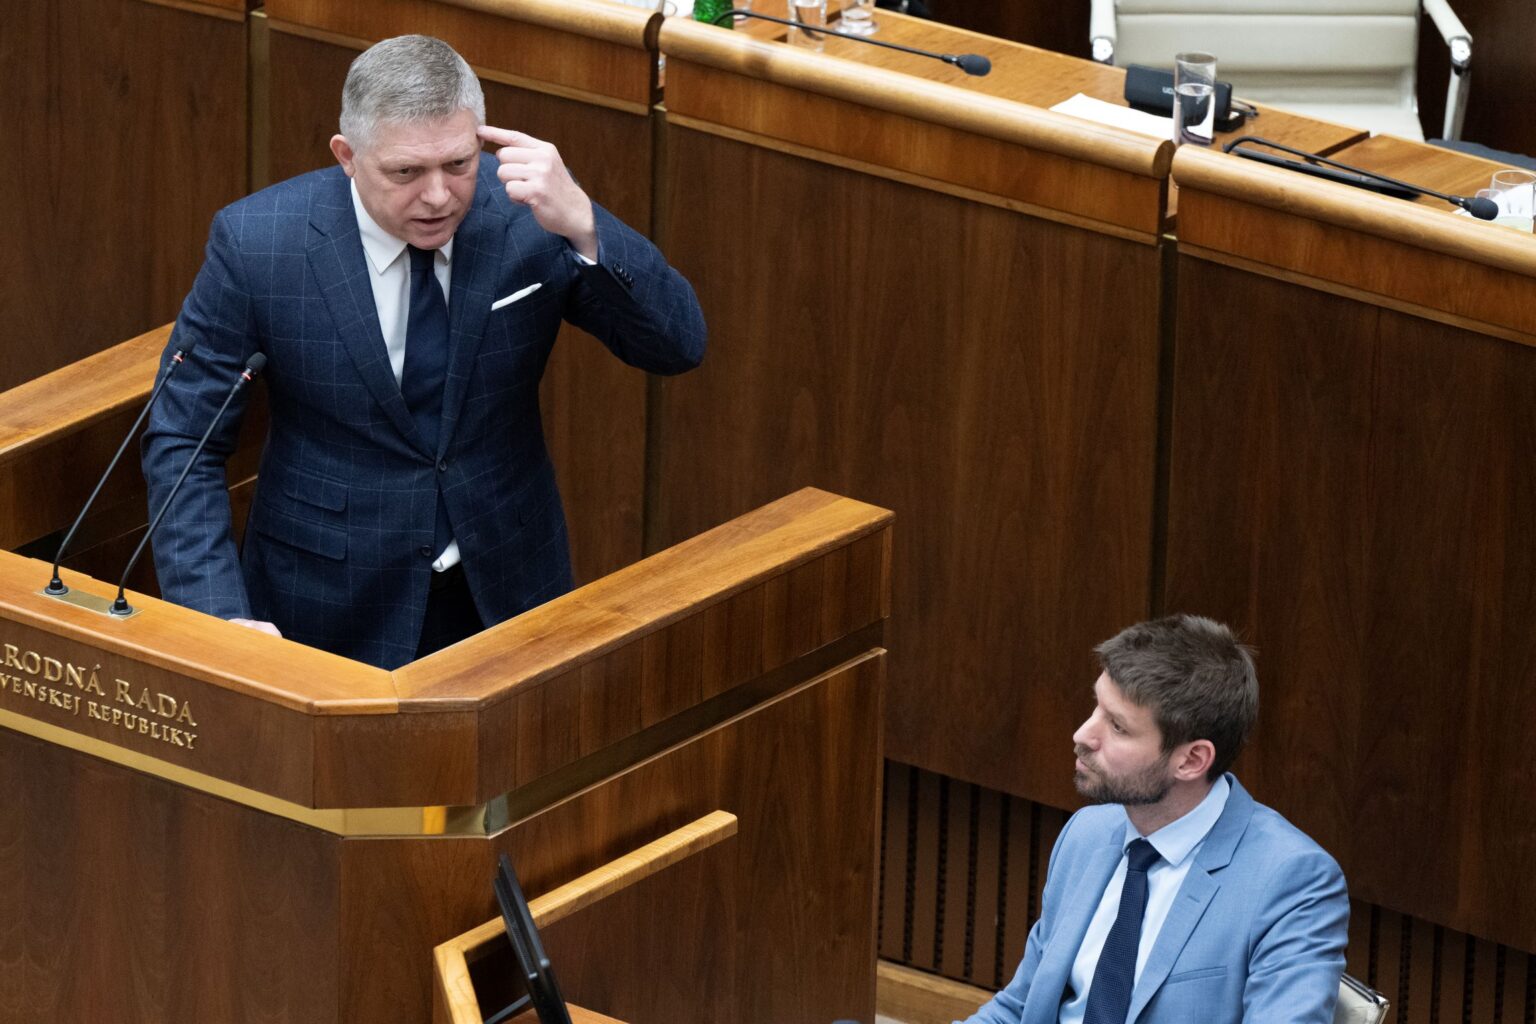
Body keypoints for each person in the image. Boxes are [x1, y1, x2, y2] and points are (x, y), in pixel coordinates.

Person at [141, 35, 705, 669]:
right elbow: (185, 436)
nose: (439, 196)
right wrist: (216, 617)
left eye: (459, 165)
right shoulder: (258, 244)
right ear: (348, 156)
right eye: (406, 172)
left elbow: (677, 345)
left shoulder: (530, 218)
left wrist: (585, 222)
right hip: (326, 607)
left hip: (509, 591)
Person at [962, 615, 1348, 1024]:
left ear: (1192, 759)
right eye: (1097, 706)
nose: (1082, 735)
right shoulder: (1086, 834)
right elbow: (1020, 1008)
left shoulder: (1292, 881)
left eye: (1117, 727)